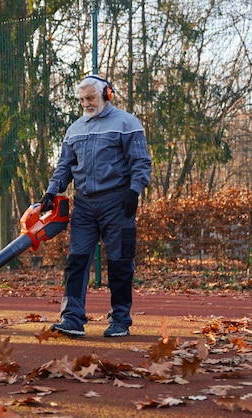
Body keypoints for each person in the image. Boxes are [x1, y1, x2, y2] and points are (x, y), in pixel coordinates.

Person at [41, 75, 152, 338]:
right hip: (84, 205)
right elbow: (65, 166)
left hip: (117, 203)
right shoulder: (75, 129)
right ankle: (72, 319)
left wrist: (134, 191)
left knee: (120, 263)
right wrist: (51, 191)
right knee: (76, 262)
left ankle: (120, 320)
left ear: (107, 94)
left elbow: (141, 162)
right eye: (81, 99)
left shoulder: (127, 123)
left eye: (90, 98)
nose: (86, 103)